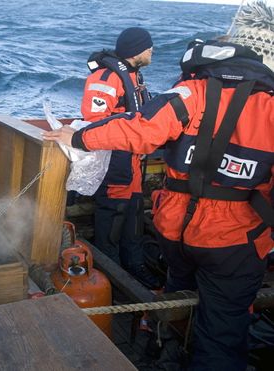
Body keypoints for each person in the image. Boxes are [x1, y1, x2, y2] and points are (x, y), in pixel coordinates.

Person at [44, 39, 274, 370]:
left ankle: (166, 353)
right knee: (223, 333)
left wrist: (78, 137)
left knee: (178, 298)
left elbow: (139, 126)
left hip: (178, 233)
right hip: (236, 242)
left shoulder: (190, 93)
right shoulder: (269, 105)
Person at [80, 27, 159, 288]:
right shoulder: (105, 78)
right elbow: (95, 122)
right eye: (149, 47)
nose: (152, 50)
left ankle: (134, 267)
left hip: (133, 161)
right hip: (115, 161)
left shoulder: (135, 77)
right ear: (137, 50)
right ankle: (111, 278)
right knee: (112, 219)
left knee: (134, 216)